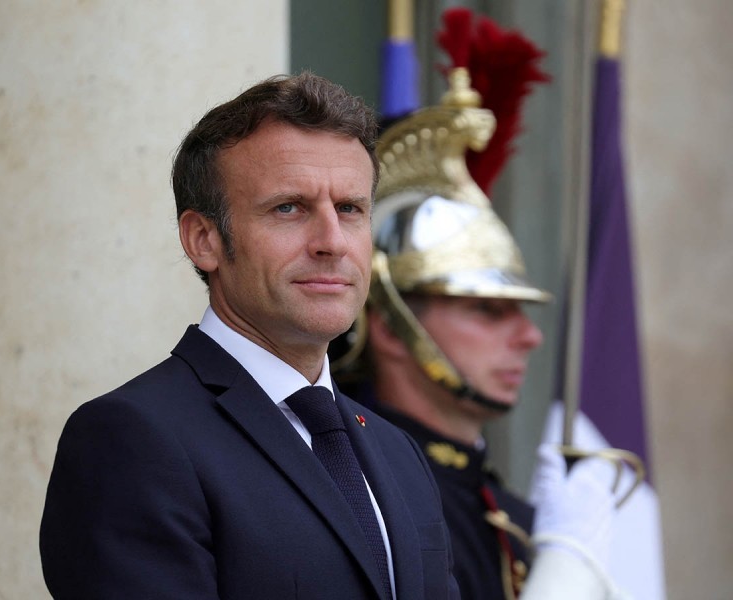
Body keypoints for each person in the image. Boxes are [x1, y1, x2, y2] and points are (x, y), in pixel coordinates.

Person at [39, 72, 460, 599]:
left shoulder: (397, 451)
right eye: (289, 208)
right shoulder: (131, 440)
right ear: (204, 239)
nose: (332, 241)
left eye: (349, 209)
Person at [332, 67, 628, 600]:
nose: (529, 337)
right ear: (392, 328)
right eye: (489, 311)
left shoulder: (512, 516)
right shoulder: (362, 501)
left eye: (520, 311)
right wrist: (567, 572)